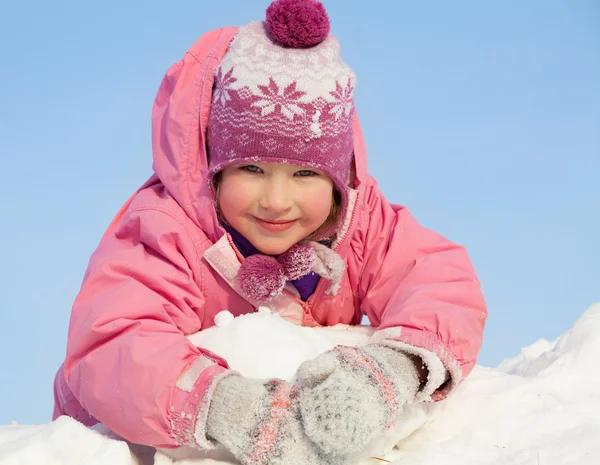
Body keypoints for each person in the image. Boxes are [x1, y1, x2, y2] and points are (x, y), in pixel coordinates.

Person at [52, 0, 487, 463]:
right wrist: (231, 409)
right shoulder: (166, 232)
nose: (277, 201)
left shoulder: (363, 227)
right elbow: (113, 341)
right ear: (213, 167)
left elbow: (439, 283)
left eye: (304, 174)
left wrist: (394, 369)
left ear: (339, 177)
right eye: (252, 168)